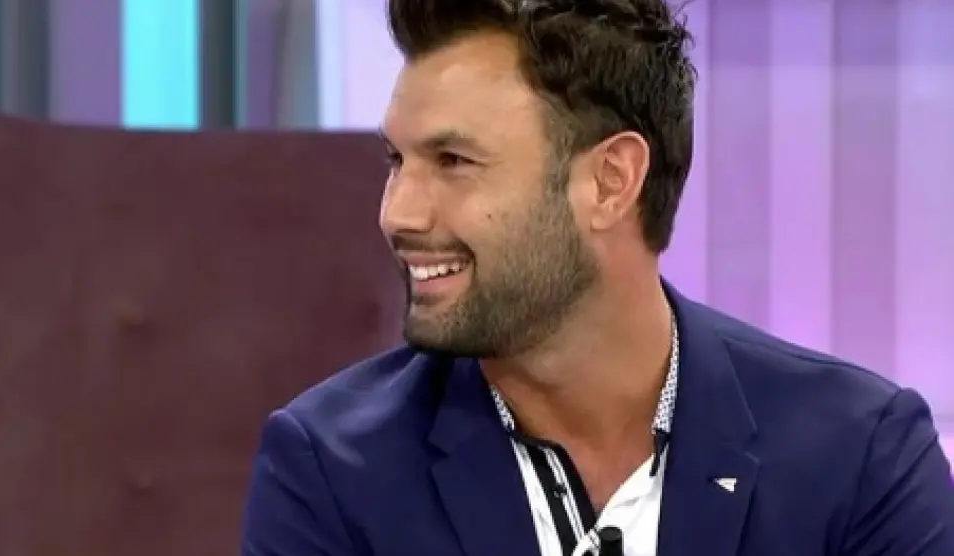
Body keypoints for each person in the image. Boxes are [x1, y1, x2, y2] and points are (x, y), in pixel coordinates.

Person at [240, 0, 954, 554]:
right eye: (398, 161)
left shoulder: (859, 461)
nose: (397, 214)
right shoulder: (334, 472)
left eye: (453, 161)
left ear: (611, 181)